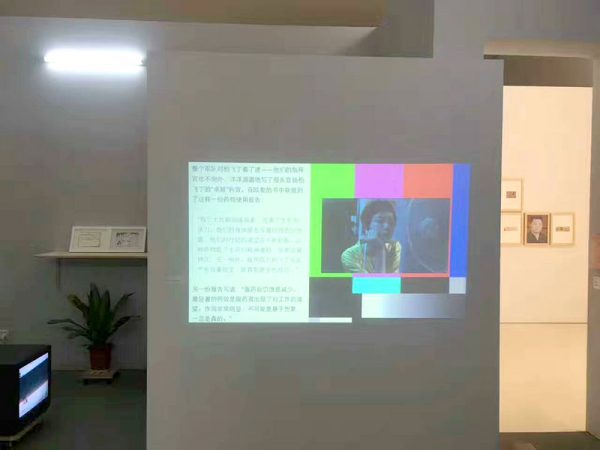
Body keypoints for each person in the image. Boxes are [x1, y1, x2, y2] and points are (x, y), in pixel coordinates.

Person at [341, 200, 401, 273]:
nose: (387, 226)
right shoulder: (350, 255)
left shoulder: (394, 248)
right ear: (367, 224)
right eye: (380, 221)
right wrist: (380, 249)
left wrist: (381, 248)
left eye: (391, 222)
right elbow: (376, 281)